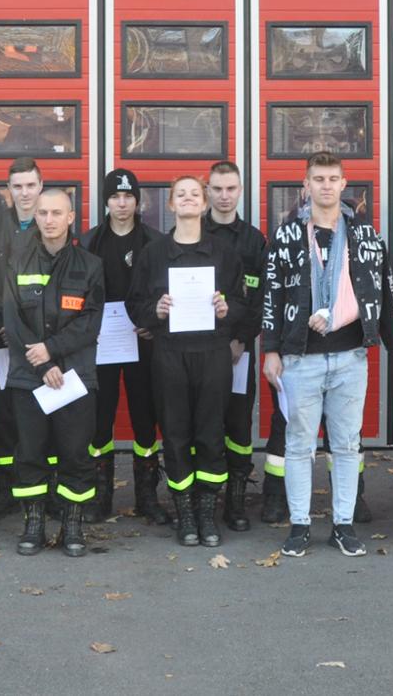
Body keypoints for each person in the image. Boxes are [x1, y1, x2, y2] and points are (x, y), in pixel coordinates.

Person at [260, 153, 393, 558]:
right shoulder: (287, 235)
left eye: (333, 179)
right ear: (305, 186)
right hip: (300, 359)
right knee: (298, 446)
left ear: (345, 184)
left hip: (349, 357)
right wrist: (270, 350)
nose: (326, 185)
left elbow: (384, 285)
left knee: (346, 446)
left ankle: (343, 524)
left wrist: (391, 335)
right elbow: (271, 295)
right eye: (318, 179)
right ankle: (300, 525)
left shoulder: (365, 236)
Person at [128, 175, 244, 548]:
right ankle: (186, 516)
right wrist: (155, 310)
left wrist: (228, 309)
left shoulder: (225, 253)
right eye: (182, 194)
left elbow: (244, 303)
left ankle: (207, 514)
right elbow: (134, 305)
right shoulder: (153, 253)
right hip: (170, 356)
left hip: (212, 353)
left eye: (196, 193)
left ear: (204, 203)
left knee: (211, 434)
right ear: (172, 205)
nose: (189, 199)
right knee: (175, 435)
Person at [1, 189, 105, 557]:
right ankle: (34, 525)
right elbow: (12, 321)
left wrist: (54, 352)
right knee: (29, 452)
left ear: (71, 217)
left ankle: (73, 526)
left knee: (75, 453)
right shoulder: (17, 261)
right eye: (43, 212)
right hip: (30, 377)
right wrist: (43, 363)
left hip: (75, 378)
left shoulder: (90, 266)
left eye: (56, 213)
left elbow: (90, 323)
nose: (49, 219)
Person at [82, 169, 165, 524]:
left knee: (145, 418)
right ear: (106, 200)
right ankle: (101, 495)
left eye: (128, 196)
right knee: (99, 419)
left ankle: (147, 496)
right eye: (115, 197)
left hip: (142, 341)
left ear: (137, 200)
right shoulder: (89, 242)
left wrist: (153, 323)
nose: (121, 203)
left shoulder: (154, 241)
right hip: (101, 343)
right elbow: (78, 292)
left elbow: (164, 290)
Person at [205, 161, 267, 532]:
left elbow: (260, 298)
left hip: (240, 349)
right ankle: (206, 498)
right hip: (199, 349)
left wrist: (241, 339)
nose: (224, 196)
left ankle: (236, 500)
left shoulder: (253, 240)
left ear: (240, 191)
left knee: (239, 425)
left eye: (231, 189)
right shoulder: (194, 234)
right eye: (217, 189)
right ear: (208, 191)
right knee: (204, 422)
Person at [0, 158, 44, 517]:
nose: (24, 193)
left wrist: (33, 328)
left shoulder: (51, 220)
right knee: (4, 412)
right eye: (17, 186)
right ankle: (5, 486)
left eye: (30, 185)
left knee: (39, 408)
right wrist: (4, 321)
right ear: (8, 189)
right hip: (2, 338)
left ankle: (41, 485)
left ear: (40, 185)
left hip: (40, 340)